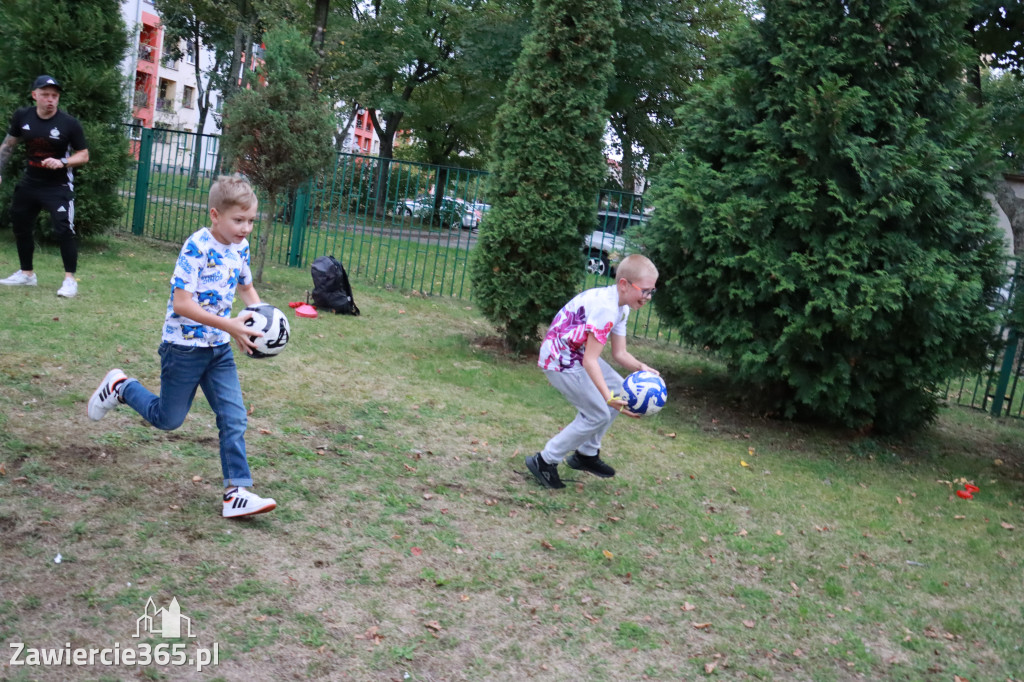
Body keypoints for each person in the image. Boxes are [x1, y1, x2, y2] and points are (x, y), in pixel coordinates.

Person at [87, 174, 277, 519]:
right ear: (215, 215)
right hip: (183, 347)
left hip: (218, 349)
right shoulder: (196, 247)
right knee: (168, 419)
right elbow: (183, 305)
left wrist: (256, 324)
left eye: (251, 221)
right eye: (239, 220)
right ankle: (120, 386)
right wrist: (230, 325)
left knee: (233, 417)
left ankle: (236, 492)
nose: (245, 228)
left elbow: (246, 288)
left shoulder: (240, 247)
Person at [525, 254, 661, 489]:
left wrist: (641, 367)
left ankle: (586, 454)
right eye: (645, 291)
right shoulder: (606, 308)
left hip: (575, 355)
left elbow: (620, 354)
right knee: (598, 413)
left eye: (652, 292)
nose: (648, 297)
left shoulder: (621, 307)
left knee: (621, 390)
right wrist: (607, 399)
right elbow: (590, 361)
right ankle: (545, 460)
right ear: (624, 284)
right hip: (560, 359)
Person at [0, 75, 90, 297]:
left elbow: (84, 155)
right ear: (35, 96)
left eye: (55, 96)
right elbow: (8, 146)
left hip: (57, 186)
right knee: (21, 225)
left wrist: (63, 162)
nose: (50, 100)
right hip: (30, 182)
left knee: (63, 229)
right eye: (46, 95)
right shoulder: (23, 116)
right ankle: (27, 274)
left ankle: (70, 281)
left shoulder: (69, 123)